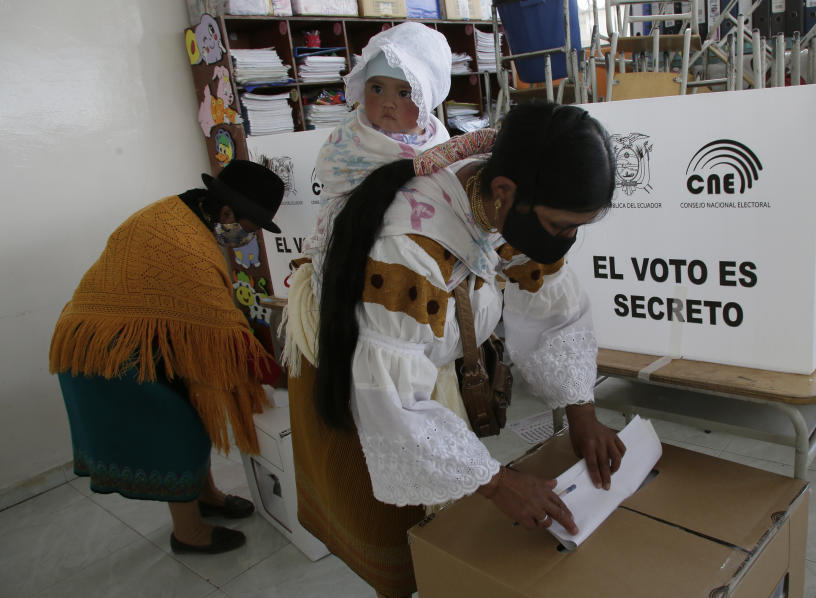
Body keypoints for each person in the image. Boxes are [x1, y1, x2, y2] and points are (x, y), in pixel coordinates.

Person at [284, 103, 626, 598]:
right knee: (396, 544)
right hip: (358, 381)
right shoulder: (407, 250)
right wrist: (497, 483)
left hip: (409, 371)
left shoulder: (503, 199)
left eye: (578, 227)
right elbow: (392, 404)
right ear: (505, 193)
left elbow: (553, 305)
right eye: (560, 226)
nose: (566, 241)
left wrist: (583, 411)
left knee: (442, 529)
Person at [49, 160, 285, 555]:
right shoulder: (187, 245)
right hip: (106, 352)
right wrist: (287, 377)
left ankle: (206, 495)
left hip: (121, 335)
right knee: (178, 429)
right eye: (250, 226)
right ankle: (189, 533)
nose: (251, 235)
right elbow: (228, 341)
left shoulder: (182, 212)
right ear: (226, 213)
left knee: (194, 405)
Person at [298, 21, 454, 303]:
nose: (388, 103)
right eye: (377, 88)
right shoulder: (351, 135)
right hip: (357, 237)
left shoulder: (438, 138)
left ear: (426, 95)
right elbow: (332, 172)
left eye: (404, 93)